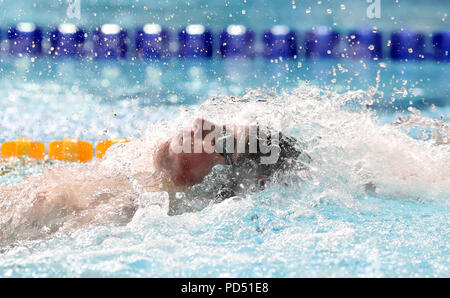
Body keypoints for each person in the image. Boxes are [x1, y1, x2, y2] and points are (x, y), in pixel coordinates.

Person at [0, 119, 305, 244]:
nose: (201, 124)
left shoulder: (130, 213)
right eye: (219, 125)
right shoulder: (132, 176)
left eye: (223, 141)